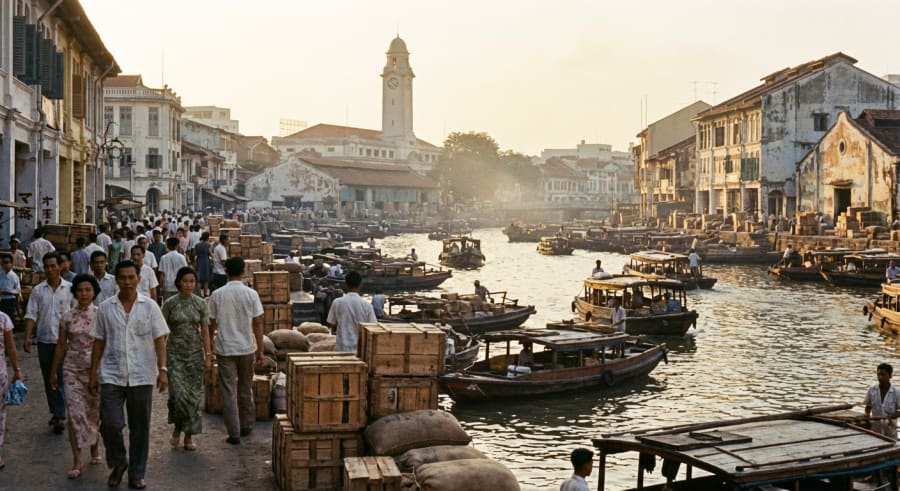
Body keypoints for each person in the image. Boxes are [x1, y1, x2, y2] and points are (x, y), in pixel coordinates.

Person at [89, 260, 169, 489]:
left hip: (142, 374)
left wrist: (163, 369)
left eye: (130, 277)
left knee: (140, 427)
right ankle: (118, 462)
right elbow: (99, 341)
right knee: (111, 424)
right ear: (116, 280)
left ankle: (137, 472)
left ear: (138, 279)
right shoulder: (105, 307)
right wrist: (92, 373)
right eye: (122, 278)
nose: (126, 282)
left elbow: (160, 339)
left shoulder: (150, 306)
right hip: (112, 373)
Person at [49, 274, 102, 479]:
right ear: (75, 293)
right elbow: (61, 346)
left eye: (88, 290)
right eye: (80, 290)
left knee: (93, 412)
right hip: (72, 369)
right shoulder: (67, 317)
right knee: (74, 415)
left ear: (94, 292)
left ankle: (95, 448)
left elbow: (104, 343)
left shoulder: (101, 315)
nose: (84, 294)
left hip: (94, 370)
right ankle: (77, 459)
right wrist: (54, 371)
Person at [207, 257, 264, 444]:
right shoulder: (251, 294)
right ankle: (247, 425)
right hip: (247, 347)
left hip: (225, 348)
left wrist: (208, 347)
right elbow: (257, 324)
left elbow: (211, 324)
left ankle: (234, 433)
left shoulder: (217, 294)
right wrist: (261, 351)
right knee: (246, 387)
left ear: (226, 271)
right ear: (243, 271)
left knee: (228, 391)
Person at [24, 252, 74, 434]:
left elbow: (77, 313)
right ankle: (56, 411)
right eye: (47, 267)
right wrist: (28, 336)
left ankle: (60, 414)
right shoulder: (38, 290)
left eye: (53, 266)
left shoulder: (70, 289)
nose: (50, 270)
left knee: (61, 376)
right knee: (48, 377)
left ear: (60, 266)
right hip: (45, 340)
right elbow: (31, 314)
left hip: (65, 341)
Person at [162, 267, 211, 451]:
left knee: (193, 397)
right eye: (185, 281)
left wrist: (208, 355)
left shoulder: (200, 304)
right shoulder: (170, 304)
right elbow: (161, 333)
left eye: (192, 281)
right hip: (174, 355)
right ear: (178, 283)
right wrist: (161, 362)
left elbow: (205, 331)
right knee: (178, 396)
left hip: (195, 355)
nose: (189, 285)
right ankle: (177, 428)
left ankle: (188, 436)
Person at [327, 270, 377, 352]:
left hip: (341, 349)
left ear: (345, 285)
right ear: (360, 285)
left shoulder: (337, 302)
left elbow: (331, 324)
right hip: (359, 351)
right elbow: (373, 328)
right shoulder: (367, 306)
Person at [0, 292, 22, 469]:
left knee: (0, 414)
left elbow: (11, 348)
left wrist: (17, 370)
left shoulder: (3, 319)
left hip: (0, 375)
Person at [865, 363, 898, 439]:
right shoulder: (871, 390)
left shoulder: (897, 393)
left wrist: (894, 415)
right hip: (875, 432)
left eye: (883, 375)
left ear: (890, 376)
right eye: (878, 375)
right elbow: (868, 408)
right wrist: (867, 419)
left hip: (890, 433)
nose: (880, 377)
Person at [0, 254, 20, 326]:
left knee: (9, 318)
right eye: (3, 263)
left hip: (10, 300)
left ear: (11, 264)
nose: (5, 265)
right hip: (1, 299)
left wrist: (7, 292)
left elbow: (18, 291)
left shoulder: (14, 276)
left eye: (7, 262)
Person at [193, 232, 213, 297]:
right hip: (206, 261)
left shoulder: (197, 245)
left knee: (199, 278)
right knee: (206, 279)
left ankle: (199, 294)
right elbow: (210, 254)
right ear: (208, 237)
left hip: (199, 260)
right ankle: (205, 293)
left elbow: (194, 254)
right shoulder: (208, 245)